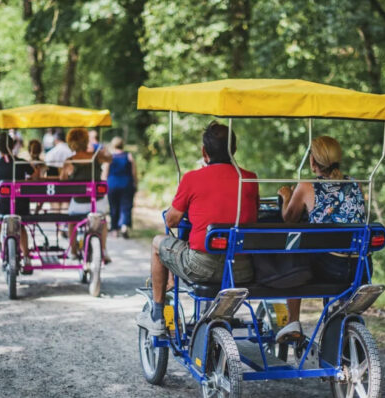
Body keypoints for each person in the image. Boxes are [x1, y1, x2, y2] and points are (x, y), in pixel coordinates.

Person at [137, 121, 259, 335]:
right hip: (241, 269)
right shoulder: (249, 179)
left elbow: (171, 221)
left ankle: (157, 315)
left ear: (204, 152)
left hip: (201, 267)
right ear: (234, 149)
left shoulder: (192, 179)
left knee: (158, 243)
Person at [274, 136, 366, 343]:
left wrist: (287, 196)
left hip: (330, 268)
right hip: (361, 266)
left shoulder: (307, 186)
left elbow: (289, 218)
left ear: (312, 161)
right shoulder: (356, 184)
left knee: (294, 256)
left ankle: (293, 321)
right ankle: (341, 315)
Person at [62, 128, 113, 262]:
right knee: (103, 222)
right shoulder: (97, 156)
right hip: (97, 203)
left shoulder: (70, 161)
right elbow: (110, 158)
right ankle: (103, 249)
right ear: (86, 141)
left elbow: (62, 180)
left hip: (79, 204)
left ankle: (73, 251)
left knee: (72, 222)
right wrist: (104, 149)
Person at [0, 131, 36, 273]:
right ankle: (26, 256)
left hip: (4, 206)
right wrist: (26, 181)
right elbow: (35, 174)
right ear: (13, 146)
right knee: (20, 226)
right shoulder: (21, 163)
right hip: (21, 206)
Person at [106, 136, 137, 238]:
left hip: (112, 184)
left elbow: (105, 172)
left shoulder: (110, 157)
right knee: (126, 206)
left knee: (113, 207)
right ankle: (124, 226)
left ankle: (114, 230)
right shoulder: (129, 156)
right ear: (122, 145)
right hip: (126, 184)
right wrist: (135, 183)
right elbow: (134, 172)